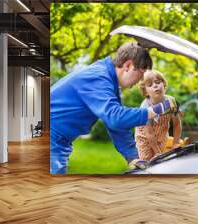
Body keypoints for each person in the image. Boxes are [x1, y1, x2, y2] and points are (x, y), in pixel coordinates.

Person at [50, 42, 178, 174]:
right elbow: (115, 118)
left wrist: (132, 158)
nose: (139, 81)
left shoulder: (108, 81)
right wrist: (157, 110)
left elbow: (116, 126)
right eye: (140, 74)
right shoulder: (97, 77)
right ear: (128, 66)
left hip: (58, 140)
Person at [135, 70, 184, 161]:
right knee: (148, 161)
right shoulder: (145, 107)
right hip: (145, 137)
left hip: (162, 134)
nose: (155, 85)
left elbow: (177, 124)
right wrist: (157, 152)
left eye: (158, 82)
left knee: (161, 161)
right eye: (150, 85)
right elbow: (149, 133)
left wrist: (175, 143)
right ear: (146, 92)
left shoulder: (171, 102)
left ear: (164, 84)